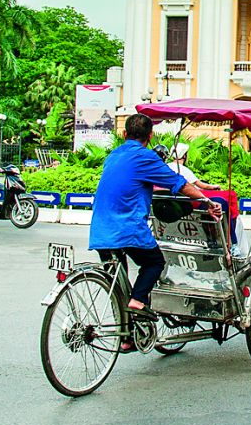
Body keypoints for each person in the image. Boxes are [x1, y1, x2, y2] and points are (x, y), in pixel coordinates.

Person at [89, 114, 221, 328]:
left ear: (124, 134)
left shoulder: (113, 155)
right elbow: (180, 183)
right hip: (126, 229)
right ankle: (138, 301)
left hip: (100, 230)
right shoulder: (145, 157)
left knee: (119, 287)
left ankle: (127, 338)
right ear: (150, 137)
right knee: (154, 263)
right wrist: (207, 201)